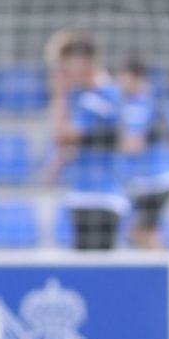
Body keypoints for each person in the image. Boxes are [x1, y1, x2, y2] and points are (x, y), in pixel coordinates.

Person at [45, 29, 128, 250]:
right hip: (83, 194)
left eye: (66, 64)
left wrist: (59, 94)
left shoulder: (102, 97)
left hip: (102, 197)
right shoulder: (83, 96)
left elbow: (64, 135)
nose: (64, 71)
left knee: (99, 263)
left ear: (86, 61)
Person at [117, 55, 169, 249]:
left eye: (122, 76)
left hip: (158, 181)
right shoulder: (129, 105)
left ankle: (162, 264)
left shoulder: (154, 104)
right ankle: (160, 260)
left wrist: (159, 135)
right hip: (142, 183)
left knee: (140, 231)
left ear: (133, 76)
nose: (119, 82)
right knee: (141, 232)